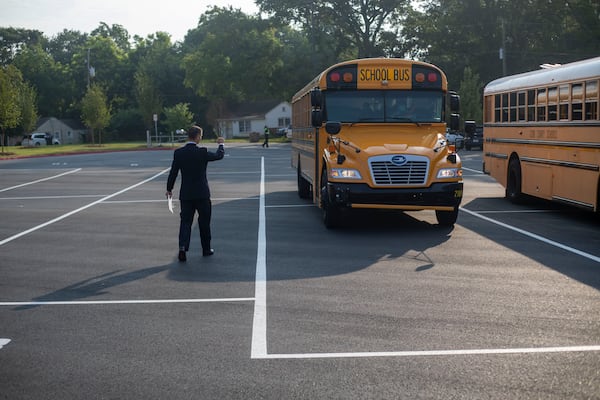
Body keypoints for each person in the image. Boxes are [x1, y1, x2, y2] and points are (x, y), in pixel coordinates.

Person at [166, 125, 225, 262]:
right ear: (198, 136)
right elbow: (218, 156)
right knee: (204, 222)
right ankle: (206, 249)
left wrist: (169, 188)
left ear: (188, 136)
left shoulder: (179, 153)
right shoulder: (202, 152)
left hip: (186, 194)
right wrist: (221, 144)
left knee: (185, 222)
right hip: (202, 193)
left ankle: (182, 247)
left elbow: (173, 172)